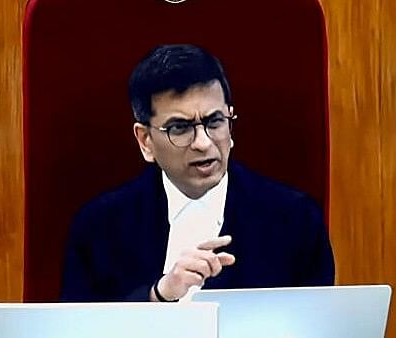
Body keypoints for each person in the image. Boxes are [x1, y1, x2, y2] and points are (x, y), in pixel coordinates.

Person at [60, 44, 334, 302]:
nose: (203, 142)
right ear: (145, 141)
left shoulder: (295, 220)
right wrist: (157, 296)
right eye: (180, 127)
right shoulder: (99, 228)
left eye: (214, 122)